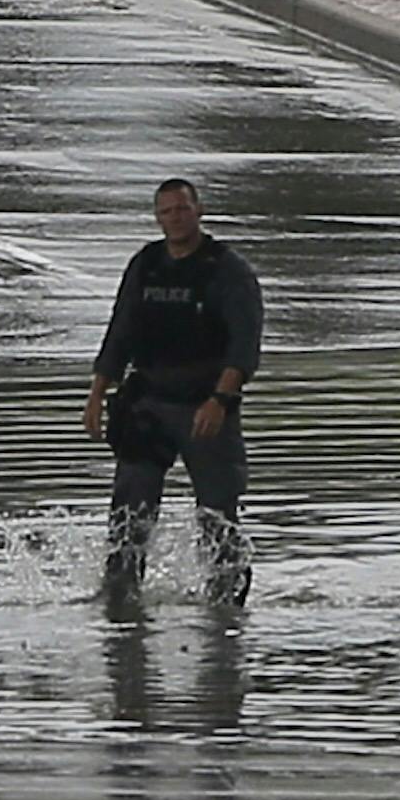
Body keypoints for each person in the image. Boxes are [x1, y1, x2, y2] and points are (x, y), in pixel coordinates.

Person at [97, 176, 264, 615]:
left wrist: (220, 401)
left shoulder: (227, 270)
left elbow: (244, 347)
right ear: (157, 218)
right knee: (129, 516)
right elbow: (120, 332)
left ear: (199, 211)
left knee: (218, 515)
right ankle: (119, 603)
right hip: (147, 405)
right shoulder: (146, 265)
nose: (175, 218)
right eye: (167, 212)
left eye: (183, 209)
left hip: (206, 409)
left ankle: (227, 612)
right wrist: (97, 393)